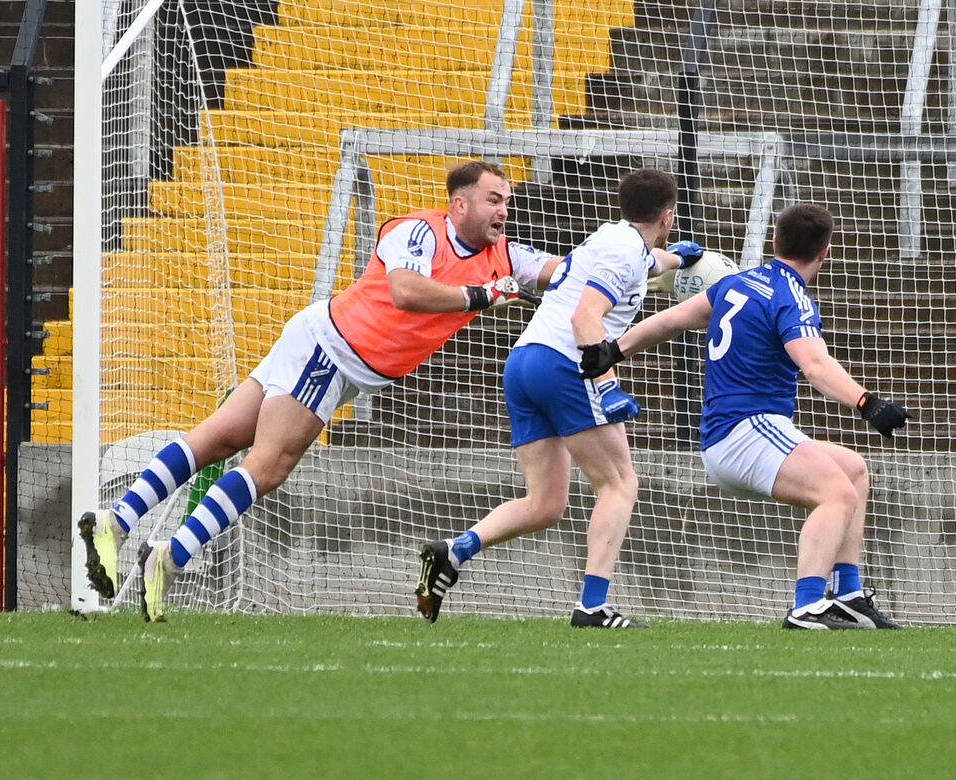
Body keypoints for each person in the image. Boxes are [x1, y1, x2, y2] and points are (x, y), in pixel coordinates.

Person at [78, 161, 561, 621]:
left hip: (328, 348)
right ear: (459, 204)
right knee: (268, 466)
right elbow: (406, 292)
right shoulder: (418, 231)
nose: (503, 210)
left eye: (507, 201)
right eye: (493, 199)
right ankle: (171, 558)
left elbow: (559, 272)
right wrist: (480, 295)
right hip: (331, 351)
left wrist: (615, 265)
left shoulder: (506, 256)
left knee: (220, 437)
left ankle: (116, 523)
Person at [577, 202, 912, 629]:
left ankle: (847, 594)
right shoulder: (792, 298)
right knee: (837, 495)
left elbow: (672, 319)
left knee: (854, 471)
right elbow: (815, 365)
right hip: (746, 431)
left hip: (740, 432)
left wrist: (614, 349)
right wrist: (868, 403)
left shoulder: (737, 283)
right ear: (824, 254)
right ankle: (808, 606)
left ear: (775, 241)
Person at [414, 167, 704, 628]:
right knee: (619, 483)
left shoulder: (612, 237)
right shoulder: (625, 251)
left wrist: (676, 259)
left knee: (545, 503)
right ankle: (593, 606)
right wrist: (608, 387)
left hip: (525, 362)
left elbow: (647, 264)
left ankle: (454, 551)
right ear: (669, 214)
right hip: (563, 365)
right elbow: (586, 318)